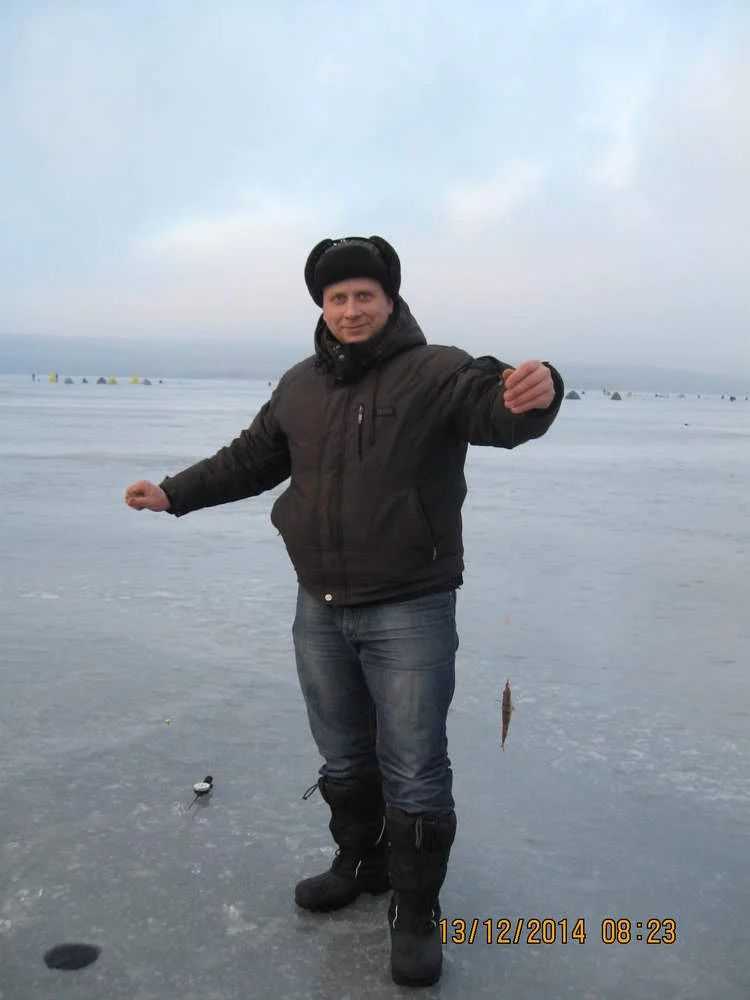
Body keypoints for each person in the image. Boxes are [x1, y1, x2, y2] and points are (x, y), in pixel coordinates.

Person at [124, 235, 564, 987]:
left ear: (390, 300)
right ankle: (361, 861)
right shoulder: (300, 386)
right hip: (320, 604)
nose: (352, 309)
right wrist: (175, 492)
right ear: (322, 307)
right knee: (342, 754)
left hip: (410, 607)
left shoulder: (437, 370)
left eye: (365, 295)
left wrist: (538, 392)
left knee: (415, 765)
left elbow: (496, 406)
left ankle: (416, 911)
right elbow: (251, 459)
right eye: (338, 298)